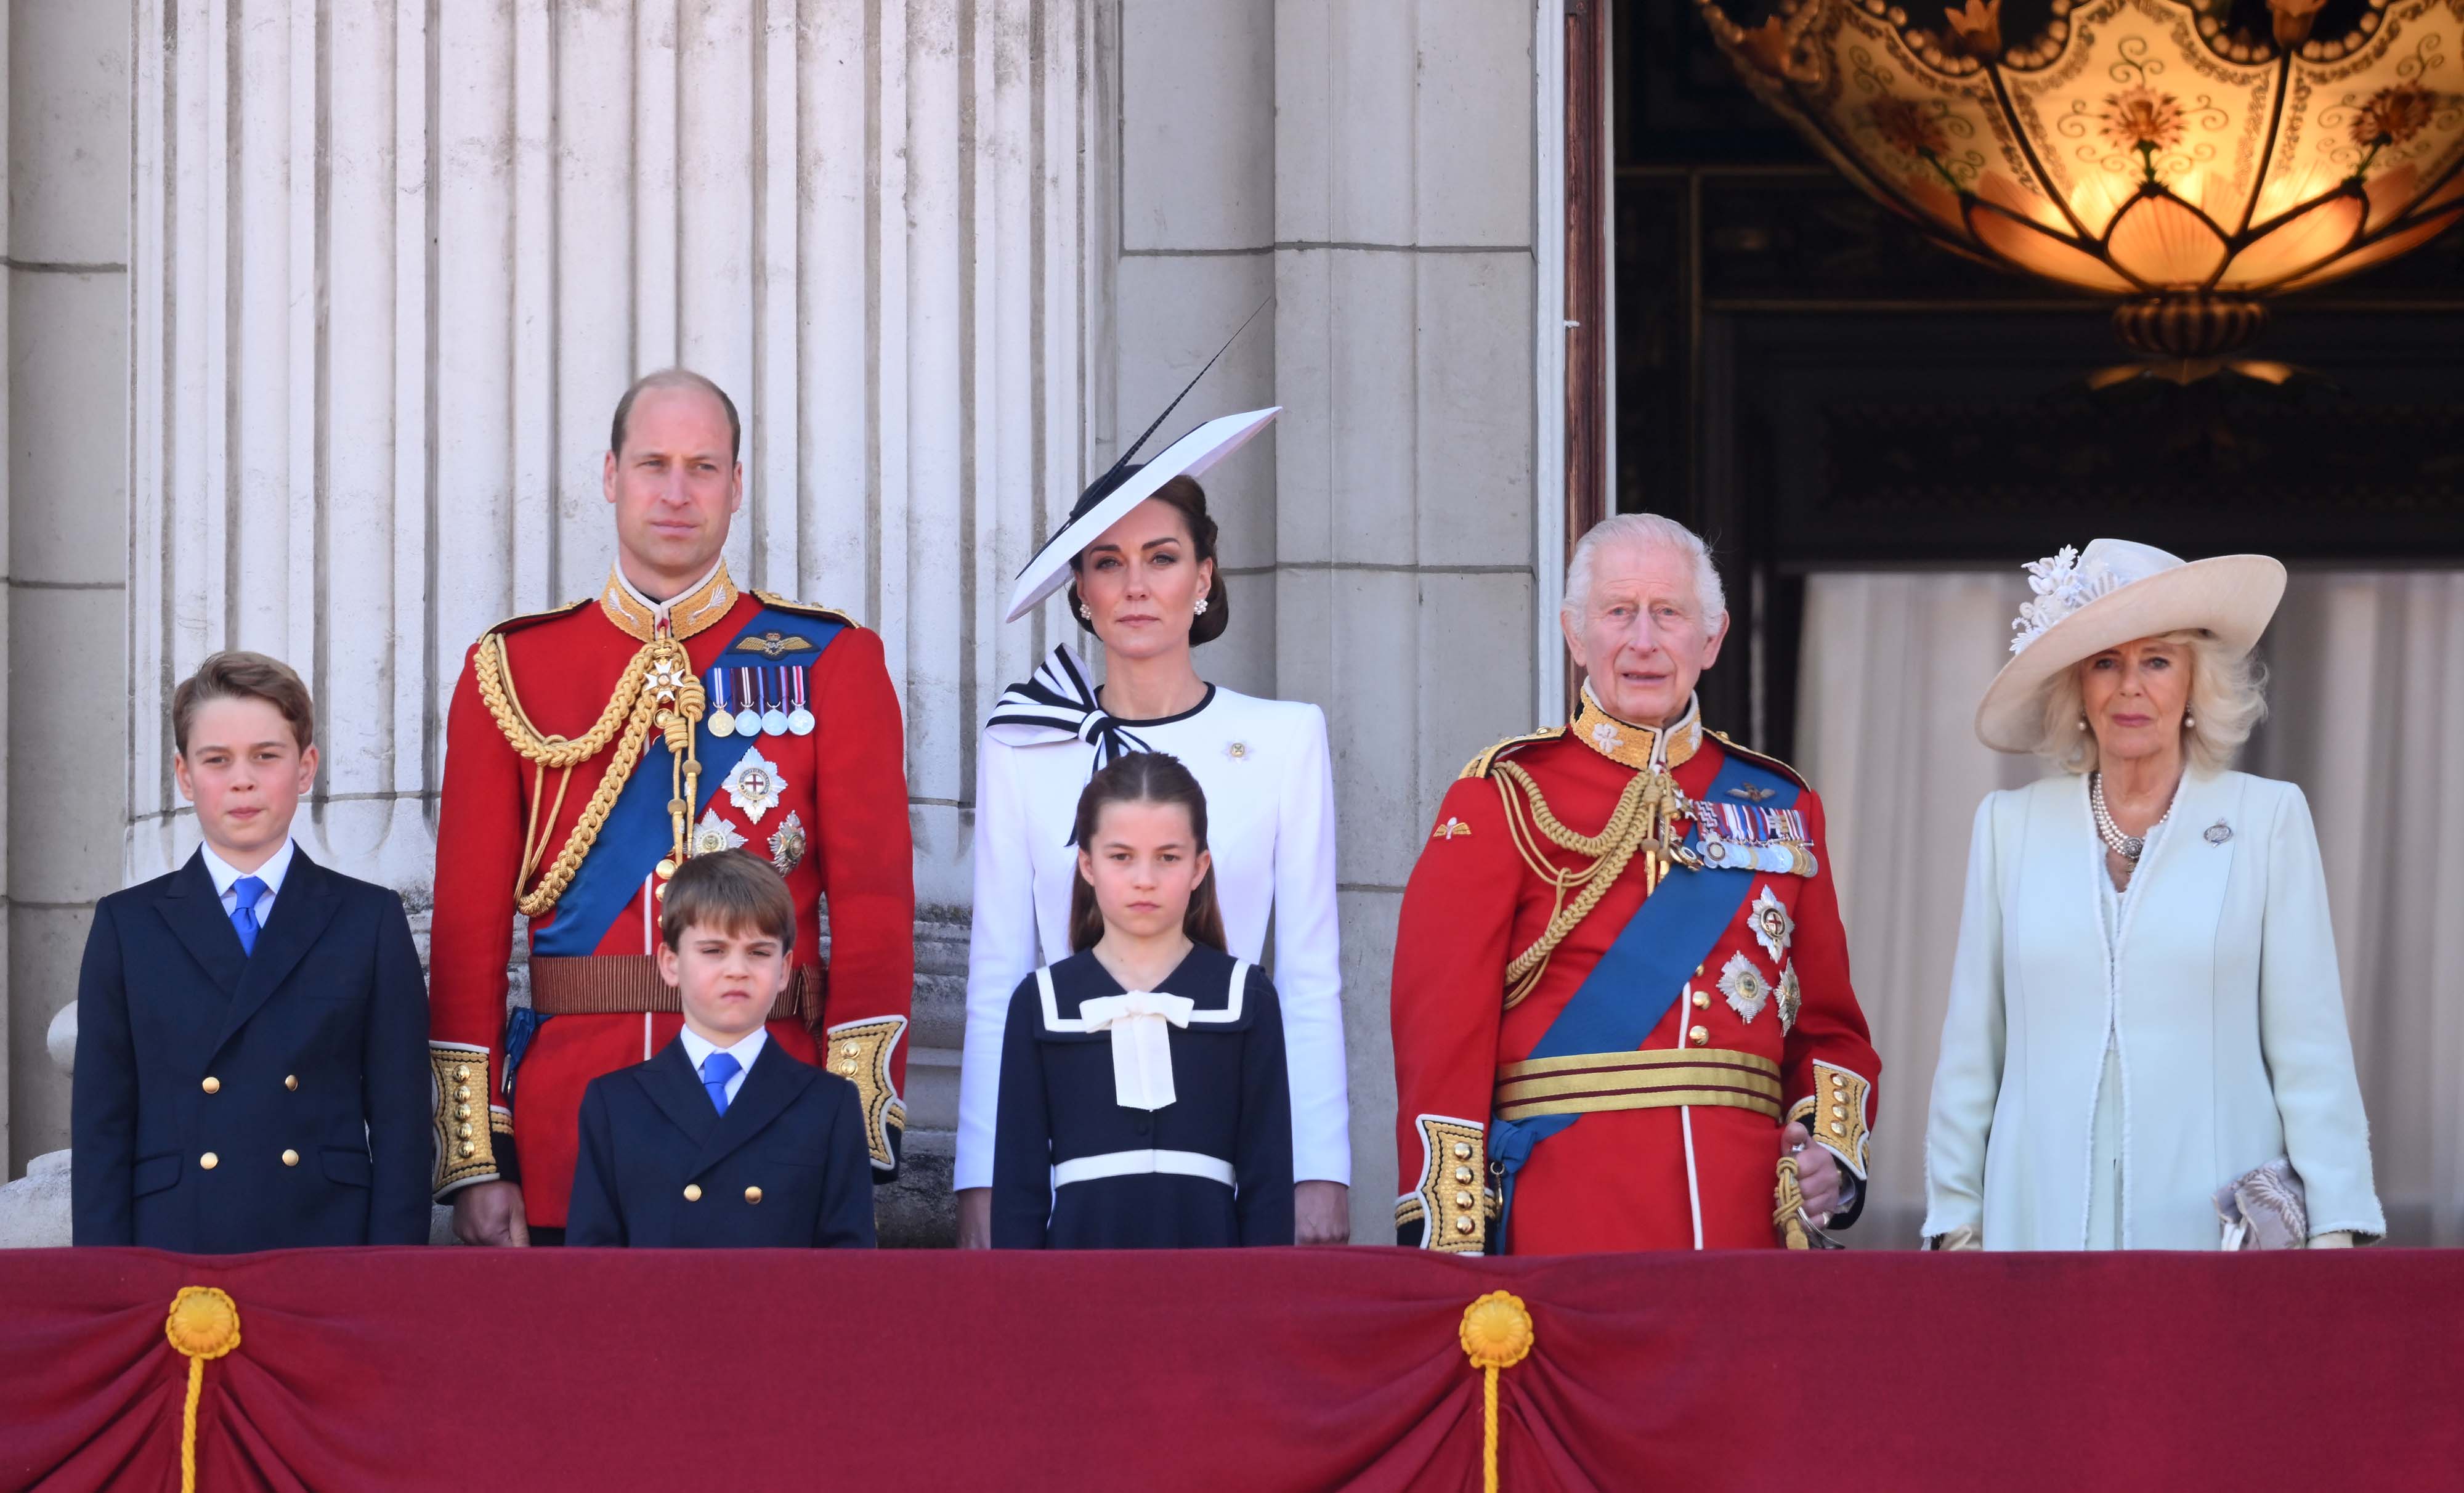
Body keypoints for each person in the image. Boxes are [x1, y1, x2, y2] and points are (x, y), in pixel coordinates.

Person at [429, 368, 915, 1246]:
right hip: (566, 1130)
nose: (678, 490)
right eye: (654, 463)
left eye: (703, 465)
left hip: (777, 1125)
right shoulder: (511, 671)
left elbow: (876, 912)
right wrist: (479, 1152)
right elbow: (467, 934)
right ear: (610, 475)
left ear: (737, 485)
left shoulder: (830, 661)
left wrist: (853, 1126)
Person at [1388, 513, 1881, 1254]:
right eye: (1619, 612)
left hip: (1741, 1226)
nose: (1643, 641)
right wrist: (1453, 1237)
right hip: (1562, 1220)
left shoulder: (1781, 805)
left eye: (1669, 613)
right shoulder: (1505, 795)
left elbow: (1830, 1025)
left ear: (1711, 639)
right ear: (1575, 633)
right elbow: (1441, 1033)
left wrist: (1828, 1157)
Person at [955, 405, 1350, 1247]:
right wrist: (984, 1177)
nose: (1136, 585)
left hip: (1229, 1131)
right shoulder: (1024, 742)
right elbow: (998, 971)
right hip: (1070, 1148)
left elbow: (1311, 973)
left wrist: (1319, 1167)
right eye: (1109, 562)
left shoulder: (1286, 738)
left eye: (1162, 558)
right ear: (1082, 592)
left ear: (1204, 575)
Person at [1921, 539, 2383, 1251]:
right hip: (2034, 1227)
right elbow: (1971, 1049)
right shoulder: (2008, 827)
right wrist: (1956, 1223)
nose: (2129, 686)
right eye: (2105, 661)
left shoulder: (2266, 819)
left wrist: (2332, 1232)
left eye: (2156, 661)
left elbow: (2310, 1048)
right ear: (2077, 687)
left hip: (2215, 1234)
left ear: (2196, 684)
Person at [71, 652, 431, 1251]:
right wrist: (109, 1285)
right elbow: (102, 1129)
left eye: (266, 755)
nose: (242, 779)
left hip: (325, 1242)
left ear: (305, 766)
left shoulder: (368, 919)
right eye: (218, 760)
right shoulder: (126, 925)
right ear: (185, 775)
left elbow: (402, 1126)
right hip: (173, 1244)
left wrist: (390, 1278)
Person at [991, 752, 1293, 1248]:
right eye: (1121, 856)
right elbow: (1018, 1193)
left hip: (1212, 1290)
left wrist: (1258, 1312)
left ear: (1200, 867)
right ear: (1087, 864)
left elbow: (1269, 1188)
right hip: (1076, 1288)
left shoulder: (1247, 996)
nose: (1145, 879)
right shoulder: (1041, 1001)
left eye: (1168, 857)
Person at [565, 852, 875, 1248]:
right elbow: (592, 1266)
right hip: (651, 1310)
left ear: (784, 970)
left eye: (759, 953)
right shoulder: (615, 1103)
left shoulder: (830, 1104)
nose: (737, 970)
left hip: (781, 1311)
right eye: (713, 951)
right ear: (670, 964)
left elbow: (848, 1268)